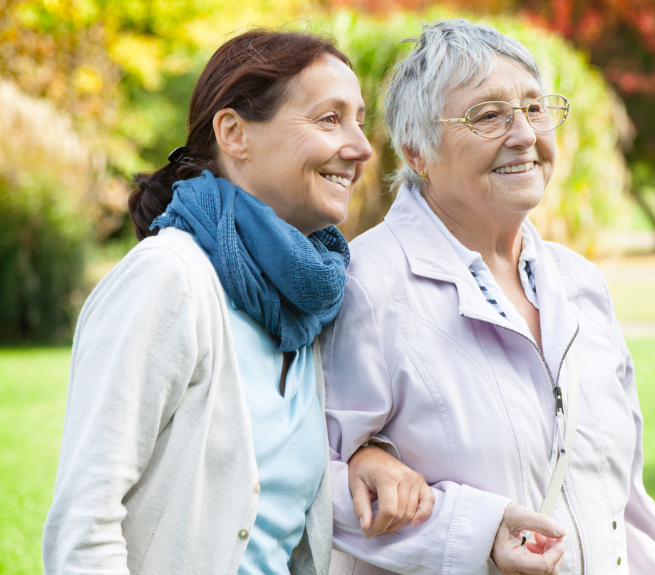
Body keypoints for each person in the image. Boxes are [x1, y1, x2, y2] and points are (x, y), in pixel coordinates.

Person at [43, 29, 432, 575]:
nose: (362, 148)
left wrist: (372, 457)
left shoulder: (313, 299)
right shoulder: (168, 280)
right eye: (328, 119)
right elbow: (84, 527)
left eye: (359, 121)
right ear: (234, 134)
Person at [324, 19, 655, 574]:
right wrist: (476, 531)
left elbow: (621, 497)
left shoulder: (580, 283)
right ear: (416, 151)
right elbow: (311, 482)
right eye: (488, 115)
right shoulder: (367, 286)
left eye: (535, 108)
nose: (524, 135)